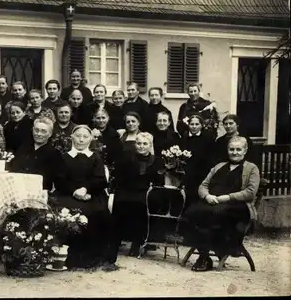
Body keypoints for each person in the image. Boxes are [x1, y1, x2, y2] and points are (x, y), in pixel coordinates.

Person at [182, 136, 260, 272]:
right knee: (191, 212)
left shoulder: (252, 168)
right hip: (213, 202)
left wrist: (226, 198)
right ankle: (204, 255)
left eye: (238, 149)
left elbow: (250, 192)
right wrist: (207, 196)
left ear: (245, 150)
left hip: (237, 207)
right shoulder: (219, 166)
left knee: (214, 214)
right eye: (231, 149)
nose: (234, 152)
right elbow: (203, 185)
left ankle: (206, 256)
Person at [52, 125, 115, 270]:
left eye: (85, 137)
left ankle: (88, 257)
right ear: (72, 137)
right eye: (78, 136)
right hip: (67, 193)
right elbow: (59, 179)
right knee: (64, 211)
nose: (81, 139)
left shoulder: (95, 158)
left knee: (96, 212)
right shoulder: (64, 157)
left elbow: (100, 180)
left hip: (92, 194)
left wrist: (86, 188)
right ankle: (61, 256)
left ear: (91, 139)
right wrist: (74, 191)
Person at [109, 132, 164, 256]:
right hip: (127, 189)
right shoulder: (126, 157)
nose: (141, 146)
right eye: (139, 143)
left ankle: (137, 242)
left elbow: (158, 182)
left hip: (146, 193)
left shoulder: (157, 161)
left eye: (145, 144)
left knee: (141, 205)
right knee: (121, 203)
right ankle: (115, 241)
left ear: (150, 145)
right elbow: (119, 177)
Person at [10, 117, 59, 191]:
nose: (39, 134)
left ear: (50, 134)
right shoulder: (22, 148)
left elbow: (55, 179)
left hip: (40, 192)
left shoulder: (54, 154)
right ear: (32, 130)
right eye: (36, 130)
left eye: (43, 131)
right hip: (18, 189)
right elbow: (14, 169)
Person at [180, 114, 215, 209]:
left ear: (201, 125)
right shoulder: (184, 137)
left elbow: (210, 156)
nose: (194, 126)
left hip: (202, 172)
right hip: (187, 171)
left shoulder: (207, 138)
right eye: (192, 124)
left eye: (197, 124)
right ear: (188, 125)